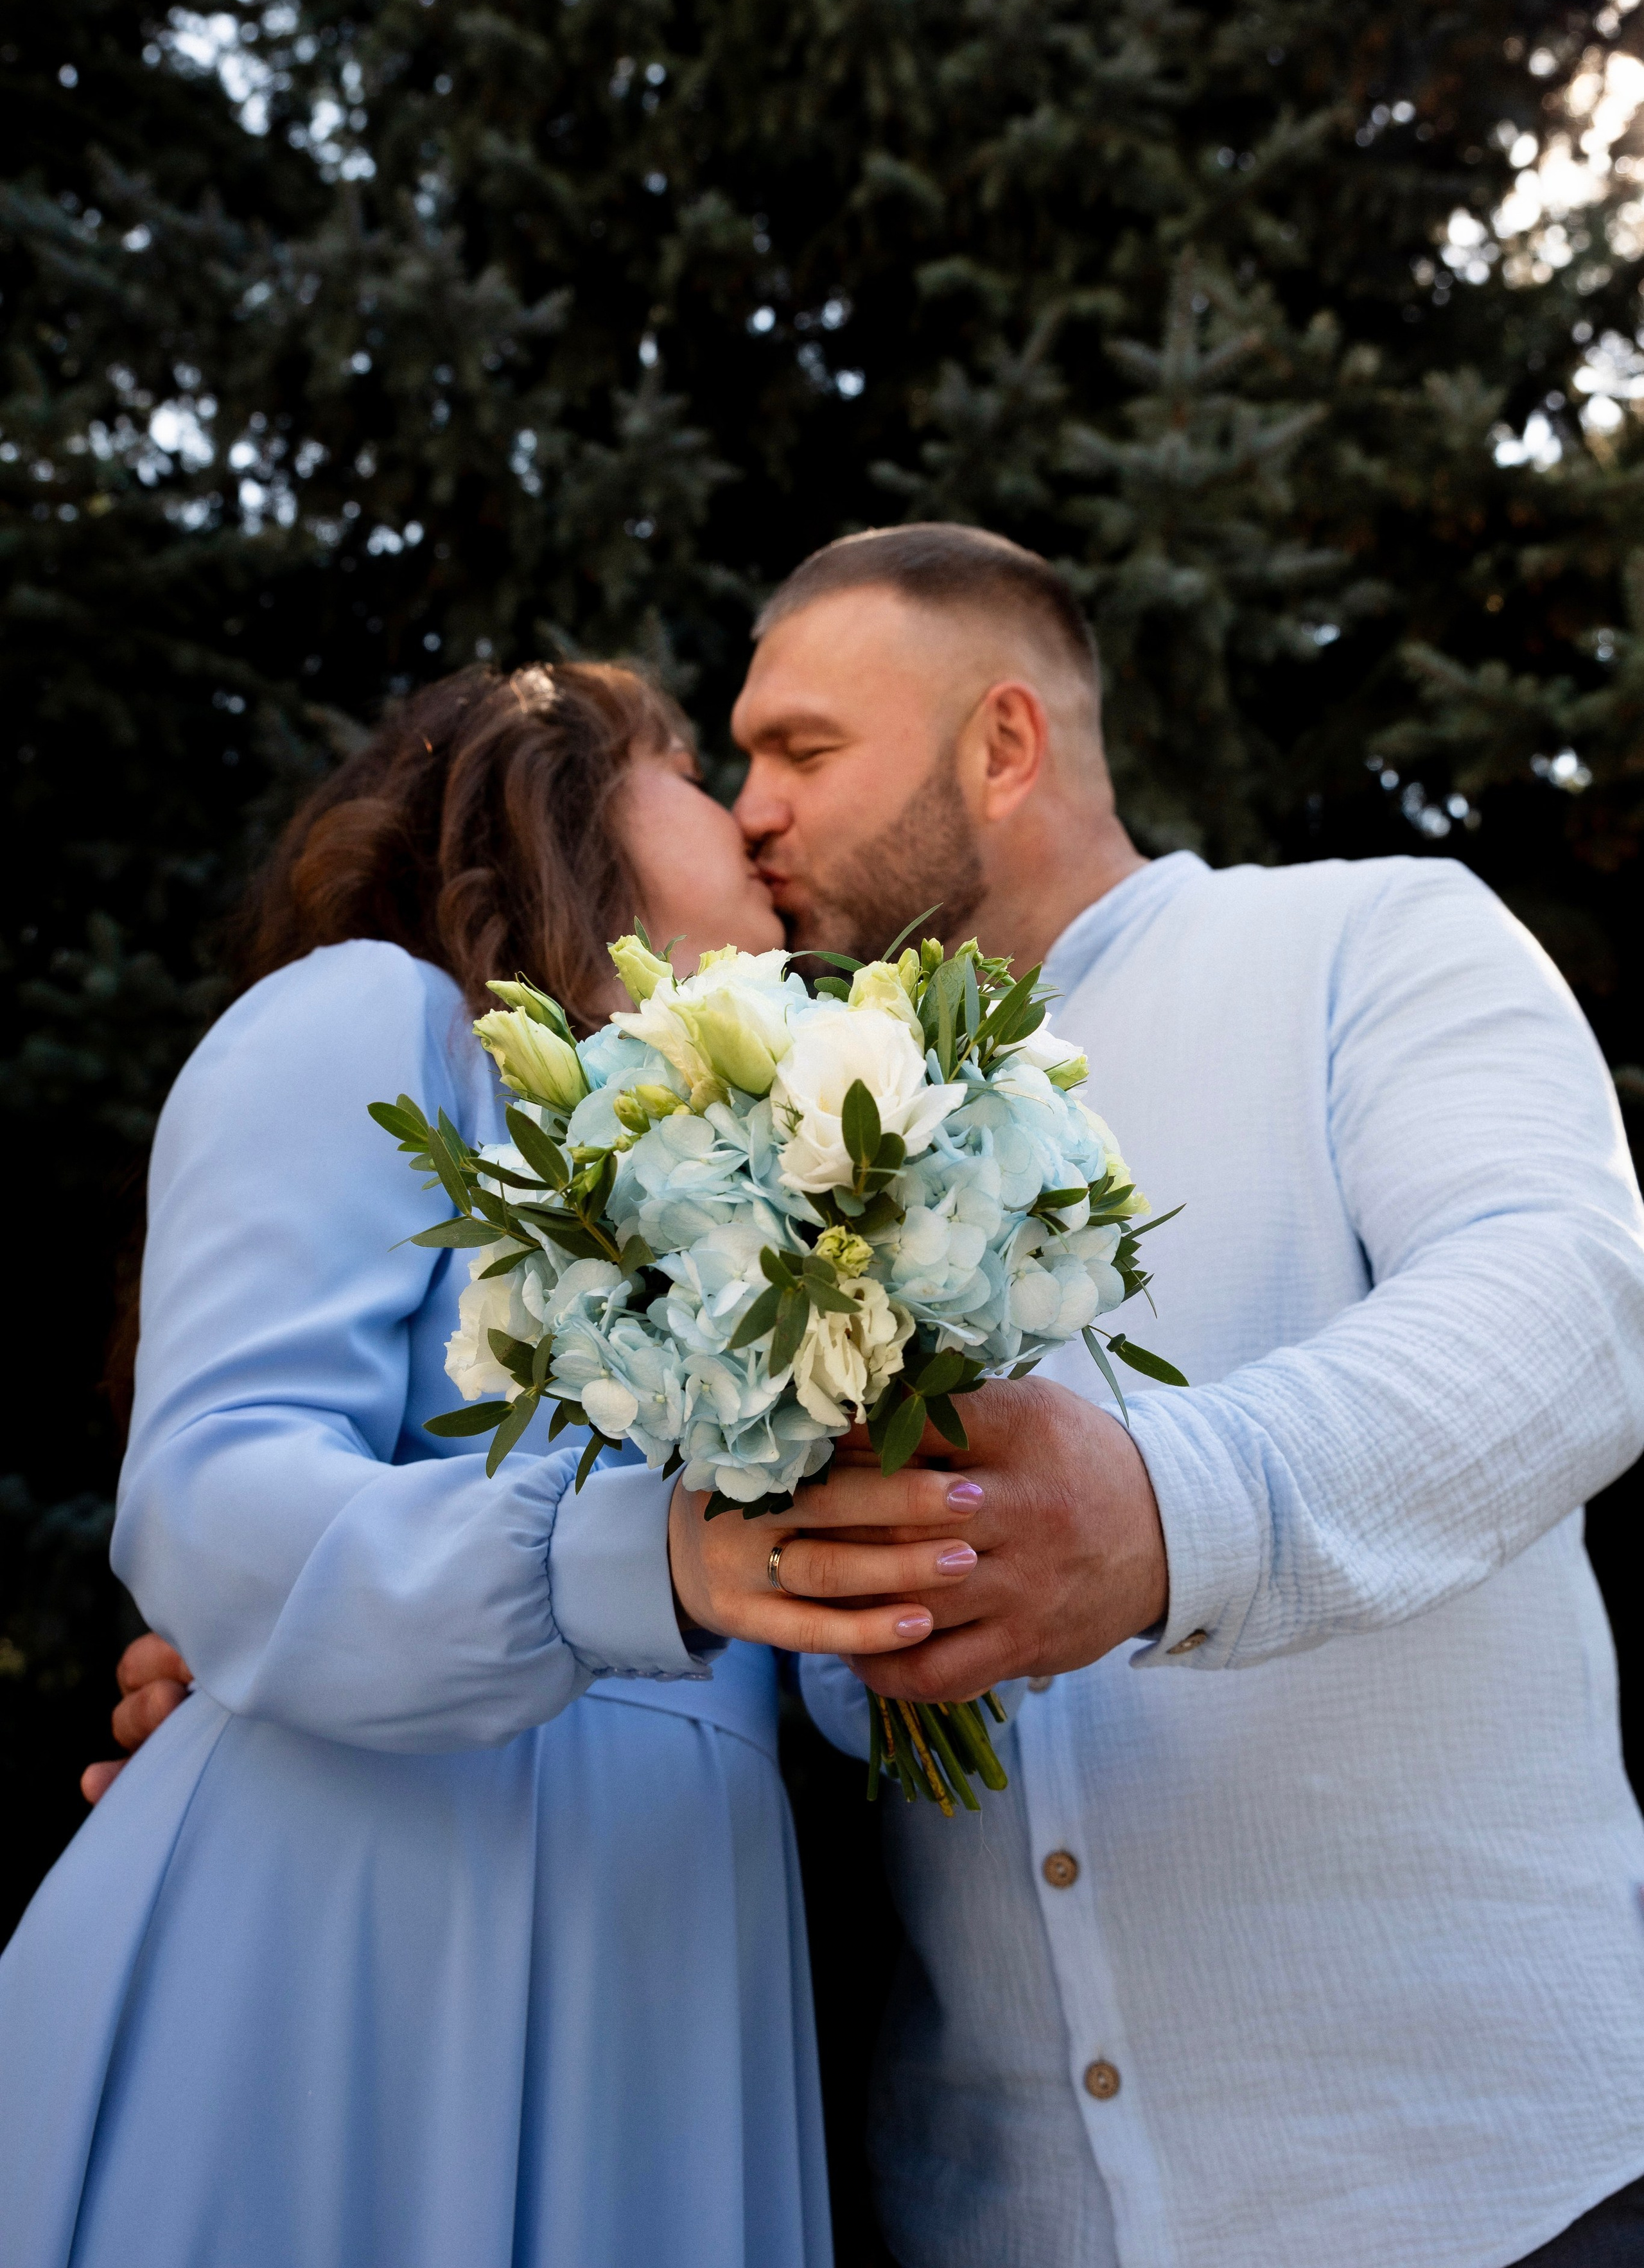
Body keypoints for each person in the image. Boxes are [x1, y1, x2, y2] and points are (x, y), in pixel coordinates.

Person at [98, 524, 1644, 2268]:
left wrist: (1167, 1517)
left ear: (1004, 744)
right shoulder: (728, 1144)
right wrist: (270, 1666)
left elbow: (1572, 1304)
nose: (754, 808)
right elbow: (679, 1575)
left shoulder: (1365, 943)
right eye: (724, 763)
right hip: (987, 2209)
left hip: (1489, 2184)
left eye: (802, 754)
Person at [0, 659, 985, 2268]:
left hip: (675, 1933)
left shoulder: (783, 1173)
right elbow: (216, 1485)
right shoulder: (381, 1019)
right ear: (561, 794)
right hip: (365, 1912)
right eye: (683, 758)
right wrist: (632, 1563)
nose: (744, 812)